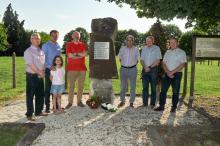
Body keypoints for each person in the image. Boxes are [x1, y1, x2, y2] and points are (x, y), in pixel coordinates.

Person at [154, 38, 187, 112]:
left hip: (177, 74)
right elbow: (163, 63)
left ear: (177, 43)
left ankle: (173, 107)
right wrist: (168, 72)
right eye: (170, 42)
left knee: (175, 92)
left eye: (174, 42)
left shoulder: (182, 52)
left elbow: (183, 64)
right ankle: (161, 106)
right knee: (163, 91)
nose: (172, 44)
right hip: (167, 74)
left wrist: (172, 72)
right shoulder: (167, 52)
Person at [24, 33, 48, 121]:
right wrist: (39, 72)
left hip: (40, 75)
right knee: (30, 95)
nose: (37, 40)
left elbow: (43, 63)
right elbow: (30, 64)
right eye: (34, 38)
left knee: (40, 94)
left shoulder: (41, 51)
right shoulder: (28, 51)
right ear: (31, 40)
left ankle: (38, 111)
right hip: (31, 76)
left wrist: (43, 71)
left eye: (38, 38)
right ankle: (29, 114)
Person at [65, 31, 87, 109]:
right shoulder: (69, 44)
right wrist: (79, 55)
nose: (77, 37)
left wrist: (75, 54)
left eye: (78, 36)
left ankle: (79, 101)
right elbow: (69, 55)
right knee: (71, 86)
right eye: (75, 35)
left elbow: (84, 54)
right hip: (71, 68)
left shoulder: (82, 44)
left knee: (81, 86)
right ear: (72, 36)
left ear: (79, 37)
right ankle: (70, 102)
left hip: (82, 69)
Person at [117, 35, 140, 108]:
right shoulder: (122, 48)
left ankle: (131, 102)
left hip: (133, 69)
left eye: (131, 40)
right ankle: (122, 100)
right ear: (126, 41)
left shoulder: (136, 49)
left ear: (133, 41)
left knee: (133, 87)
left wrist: (131, 66)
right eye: (128, 40)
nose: (129, 42)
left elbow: (137, 60)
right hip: (123, 69)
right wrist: (125, 65)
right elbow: (120, 58)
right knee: (123, 86)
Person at [42, 30, 61, 113]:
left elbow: (59, 58)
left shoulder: (58, 46)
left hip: (57, 71)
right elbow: (42, 58)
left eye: (56, 36)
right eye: (53, 36)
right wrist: (50, 67)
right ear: (50, 36)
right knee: (48, 89)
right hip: (48, 70)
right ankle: (47, 107)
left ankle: (55, 106)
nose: (55, 37)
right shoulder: (45, 45)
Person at [140, 36, 162, 108]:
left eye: (149, 41)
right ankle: (145, 103)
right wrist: (145, 67)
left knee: (153, 87)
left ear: (153, 41)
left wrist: (149, 67)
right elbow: (142, 60)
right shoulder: (144, 48)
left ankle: (152, 103)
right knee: (145, 87)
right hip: (145, 70)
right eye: (147, 41)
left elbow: (158, 60)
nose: (148, 42)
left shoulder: (157, 48)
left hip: (153, 70)